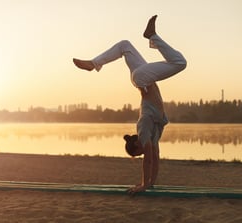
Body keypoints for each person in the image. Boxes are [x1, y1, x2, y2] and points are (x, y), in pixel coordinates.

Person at [73, 15, 187, 194]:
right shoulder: (152, 136)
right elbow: (155, 158)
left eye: (138, 152)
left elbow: (148, 159)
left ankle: (151, 36)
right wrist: (151, 183)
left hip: (141, 78)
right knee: (124, 45)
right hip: (143, 77)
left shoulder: (143, 130)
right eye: (139, 154)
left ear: (137, 144)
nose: (143, 152)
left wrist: (143, 184)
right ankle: (93, 64)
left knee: (180, 63)